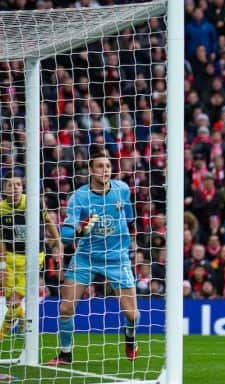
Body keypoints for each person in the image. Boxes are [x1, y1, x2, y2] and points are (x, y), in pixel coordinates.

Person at [48, 151, 138, 365]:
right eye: (99, 166)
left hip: (117, 257)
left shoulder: (122, 190)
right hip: (86, 257)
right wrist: (83, 229)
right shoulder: (79, 197)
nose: (105, 170)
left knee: (132, 315)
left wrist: (125, 244)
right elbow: (66, 236)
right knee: (65, 308)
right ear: (90, 170)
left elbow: (130, 218)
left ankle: (130, 339)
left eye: (107, 166)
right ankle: (65, 353)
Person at [0, 173, 62, 340]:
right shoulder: (1, 209)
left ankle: (2, 333)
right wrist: (2, 265)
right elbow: (1, 239)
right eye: (10, 186)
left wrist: (58, 243)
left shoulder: (33, 203)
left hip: (33, 257)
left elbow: (48, 222)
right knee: (10, 302)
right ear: (4, 190)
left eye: (18, 185)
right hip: (12, 258)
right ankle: (21, 320)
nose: (14, 188)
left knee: (14, 301)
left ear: (22, 187)